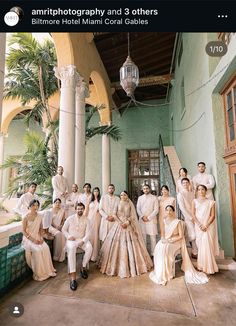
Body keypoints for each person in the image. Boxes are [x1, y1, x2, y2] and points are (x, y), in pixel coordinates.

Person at [149, 205, 208, 286]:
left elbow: (181, 236)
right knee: (158, 247)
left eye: (170, 210)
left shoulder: (178, 222)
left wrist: (170, 240)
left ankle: (168, 273)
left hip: (177, 241)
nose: (168, 212)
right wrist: (163, 239)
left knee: (166, 249)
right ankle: (160, 272)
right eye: (167, 210)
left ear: (173, 212)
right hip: (166, 239)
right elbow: (163, 233)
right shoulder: (164, 221)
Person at [99, 191, 153, 278]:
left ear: (127, 196)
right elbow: (114, 214)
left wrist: (127, 222)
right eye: (121, 195)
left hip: (127, 225)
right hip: (119, 225)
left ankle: (132, 266)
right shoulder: (118, 203)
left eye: (124, 195)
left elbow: (132, 216)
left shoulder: (129, 204)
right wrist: (120, 223)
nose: (122, 196)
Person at [22, 199, 57, 281]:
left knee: (45, 247)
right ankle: (39, 273)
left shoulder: (39, 216)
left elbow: (41, 229)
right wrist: (32, 240)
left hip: (38, 236)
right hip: (28, 238)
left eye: (37, 205)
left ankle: (48, 270)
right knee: (37, 251)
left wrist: (41, 237)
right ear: (30, 206)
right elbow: (23, 231)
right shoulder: (25, 217)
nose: (35, 207)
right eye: (33, 205)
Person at [62, 202, 92, 291]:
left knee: (90, 248)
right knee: (71, 248)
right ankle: (73, 277)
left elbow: (88, 233)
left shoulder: (87, 220)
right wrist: (68, 236)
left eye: (81, 209)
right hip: (72, 240)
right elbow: (63, 229)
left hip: (82, 239)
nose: (80, 210)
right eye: (78, 209)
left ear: (83, 209)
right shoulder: (70, 218)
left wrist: (83, 241)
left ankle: (83, 267)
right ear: (75, 209)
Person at [192, 185, 219, 274]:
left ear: (206, 191)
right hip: (198, 226)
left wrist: (206, 225)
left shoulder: (211, 202)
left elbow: (213, 215)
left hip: (208, 226)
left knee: (208, 245)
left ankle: (209, 267)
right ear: (197, 191)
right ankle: (201, 265)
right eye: (199, 189)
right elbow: (193, 215)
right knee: (200, 245)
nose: (200, 191)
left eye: (202, 189)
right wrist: (200, 225)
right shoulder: (194, 201)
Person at [177, 178, 198, 258]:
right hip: (187, 217)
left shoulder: (192, 193)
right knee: (192, 234)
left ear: (189, 183)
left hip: (195, 215)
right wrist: (189, 217)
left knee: (197, 233)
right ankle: (194, 252)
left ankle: (196, 251)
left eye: (187, 182)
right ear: (182, 185)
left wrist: (195, 216)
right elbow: (182, 208)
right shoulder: (180, 194)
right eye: (184, 183)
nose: (185, 184)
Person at [136, 184, 159, 256]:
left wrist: (149, 217)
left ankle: (154, 253)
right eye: (144, 189)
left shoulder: (154, 198)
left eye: (147, 188)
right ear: (142, 190)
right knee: (143, 237)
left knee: (152, 237)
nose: (145, 190)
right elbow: (138, 208)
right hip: (142, 220)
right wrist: (142, 216)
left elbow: (156, 209)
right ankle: (144, 253)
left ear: (149, 189)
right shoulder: (140, 198)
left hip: (151, 220)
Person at [86, 187, 101, 262]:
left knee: (96, 235)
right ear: (92, 192)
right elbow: (86, 210)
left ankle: (95, 255)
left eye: (97, 191)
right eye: (94, 191)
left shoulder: (100, 200)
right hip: (90, 218)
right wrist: (84, 219)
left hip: (97, 219)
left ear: (99, 192)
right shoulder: (89, 199)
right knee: (90, 235)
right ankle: (89, 254)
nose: (96, 192)